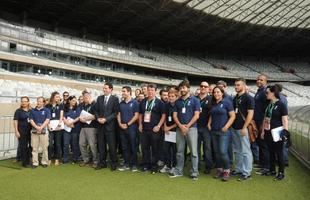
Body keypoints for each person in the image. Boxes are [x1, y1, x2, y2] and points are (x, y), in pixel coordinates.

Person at [169, 80, 200, 181]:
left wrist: (187, 126)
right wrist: (181, 126)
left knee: (194, 152)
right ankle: (179, 170)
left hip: (192, 129)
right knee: (179, 151)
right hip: (179, 129)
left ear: (188, 88)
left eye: (184, 87)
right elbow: (174, 116)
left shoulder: (195, 100)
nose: (182, 89)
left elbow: (197, 115)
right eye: (181, 88)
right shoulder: (177, 102)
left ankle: (194, 172)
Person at [261, 85, 289, 181]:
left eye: (267, 92)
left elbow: (285, 120)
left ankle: (281, 173)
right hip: (268, 131)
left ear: (273, 93)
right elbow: (265, 118)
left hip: (277, 132)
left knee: (279, 152)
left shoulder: (281, 105)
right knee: (271, 152)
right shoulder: (269, 104)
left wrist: (285, 133)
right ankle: (272, 170)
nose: (266, 94)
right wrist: (263, 131)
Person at [208, 86, 235, 181]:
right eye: (214, 92)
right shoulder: (213, 103)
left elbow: (232, 116)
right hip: (214, 131)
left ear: (222, 93)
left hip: (224, 132)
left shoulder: (227, 102)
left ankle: (227, 170)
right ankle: (219, 169)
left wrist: (226, 126)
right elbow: (212, 114)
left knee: (223, 151)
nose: (216, 94)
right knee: (217, 152)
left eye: (218, 92)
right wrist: (209, 123)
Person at [231, 78, 255, 181]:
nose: (236, 87)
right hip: (234, 128)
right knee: (237, 150)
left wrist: (245, 127)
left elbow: (250, 113)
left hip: (243, 128)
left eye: (238, 85)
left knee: (246, 151)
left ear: (244, 86)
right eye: (235, 85)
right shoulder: (235, 98)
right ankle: (239, 169)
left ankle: (247, 173)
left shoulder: (248, 98)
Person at [138, 83, 165, 173]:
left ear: (155, 91)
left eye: (152, 90)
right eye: (149, 90)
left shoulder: (159, 102)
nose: (150, 91)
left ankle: (154, 166)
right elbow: (141, 114)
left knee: (155, 148)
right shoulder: (143, 101)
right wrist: (140, 124)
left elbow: (163, 115)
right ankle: (146, 165)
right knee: (145, 148)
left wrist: (158, 126)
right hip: (145, 129)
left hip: (154, 130)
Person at [95, 82, 119, 171]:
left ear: (111, 89)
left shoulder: (115, 99)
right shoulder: (99, 98)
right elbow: (96, 111)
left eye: (105, 88)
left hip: (110, 126)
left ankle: (114, 163)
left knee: (112, 146)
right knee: (101, 146)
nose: (104, 90)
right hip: (100, 126)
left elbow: (115, 113)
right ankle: (102, 163)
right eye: (103, 88)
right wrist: (98, 118)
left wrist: (106, 119)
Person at [117, 86, 139, 172]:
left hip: (132, 128)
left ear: (129, 92)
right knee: (124, 147)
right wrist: (120, 124)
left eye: (124, 91)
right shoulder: (121, 103)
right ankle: (126, 163)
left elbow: (136, 115)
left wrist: (127, 124)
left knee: (133, 146)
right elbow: (118, 115)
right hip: (122, 128)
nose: (122, 93)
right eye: (122, 91)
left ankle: (133, 164)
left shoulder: (135, 102)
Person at [253, 75, 270, 175]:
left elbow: (267, 109)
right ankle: (262, 164)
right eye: (258, 79)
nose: (259, 81)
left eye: (261, 80)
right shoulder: (259, 91)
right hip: (257, 121)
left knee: (264, 145)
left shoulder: (265, 92)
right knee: (260, 143)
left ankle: (266, 167)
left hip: (262, 122)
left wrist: (264, 124)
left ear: (266, 82)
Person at [29, 97, 51, 168]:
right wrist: (37, 127)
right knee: (34, 148)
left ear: (43, 103)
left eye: (40, 101)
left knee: (45, 148)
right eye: (38, 101)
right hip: (34, 132)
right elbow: (31, 120)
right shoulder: (32, 111)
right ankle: (35, 163)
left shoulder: (47, 110)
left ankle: (44, 162)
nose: (39, 103)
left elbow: (47, 120)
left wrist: (41, 127)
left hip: (44, 132)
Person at [196, 81, 213, 174]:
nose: (203, 87)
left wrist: (209, 124)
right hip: (196, 126)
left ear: (208, 88)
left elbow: (212, 113)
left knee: (207, 148)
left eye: (205, 86)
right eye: (201, 86)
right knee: (196, 148)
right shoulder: (194, 98)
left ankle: (208, 166)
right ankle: (197, 165)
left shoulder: (211, 99)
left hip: (206, 127)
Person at [160, 88, 178, 173]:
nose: (170, 98)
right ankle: (167, 165)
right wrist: (165, 127)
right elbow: (164, 117)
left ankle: (174, 166)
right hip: (167, 130)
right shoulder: (166, 105)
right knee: (166, 149)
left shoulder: (178, 105)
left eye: (172, 96)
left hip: (175, 130)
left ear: (176, 97)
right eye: (169, 96)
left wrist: (169, 128)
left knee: (174, 150)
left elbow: (179, 121)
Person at [79, 91, 98, 168]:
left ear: (89, 97)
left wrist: (85, 119)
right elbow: (79, 115)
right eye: (84, 97)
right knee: (81, 144)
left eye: (86, 97)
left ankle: (95, 161)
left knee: (92, 145)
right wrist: (81, 119)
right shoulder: (82, 105)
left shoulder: (94, 105)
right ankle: (85, 159)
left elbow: (95, 116)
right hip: (83, 127)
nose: (84, 99)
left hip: (92, 127)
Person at [46, 91, 64, 166]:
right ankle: (49, 158)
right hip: (50, 125)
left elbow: (61, 116)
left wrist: (59, 124)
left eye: (59, 97)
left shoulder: (61, 105)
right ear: (53, 97)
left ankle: (57, 159)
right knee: (50, 144)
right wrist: (48, 125)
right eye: (56, 97)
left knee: (57, 143)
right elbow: (46, 117)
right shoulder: (47, 106)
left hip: (58, 126)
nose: (58, 98)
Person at [13, 96, 32, 168]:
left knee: (31, 146)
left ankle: (29, 159)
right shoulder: (18, 111)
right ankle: (25, 163)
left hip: (31, 132)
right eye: (22, 101)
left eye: (25, 101)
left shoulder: (31, 110)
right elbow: (15, 121)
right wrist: (16, 131)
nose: (23, 103)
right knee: (23, 147)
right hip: (21, 132)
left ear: (28, 102)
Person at [62, 96, 81, 164]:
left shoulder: (78, 108)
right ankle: (65, 159)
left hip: (75, 128)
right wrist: (68, 123)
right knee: (66, 144)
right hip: (66, 129)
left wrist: (71, 123)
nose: (74, 102)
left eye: (75, 101)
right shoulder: (65, 108)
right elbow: (63, 117)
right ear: (69, 101)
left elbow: (78, 117)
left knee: (74, 144)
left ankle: (75, 158)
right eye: (73, 100)